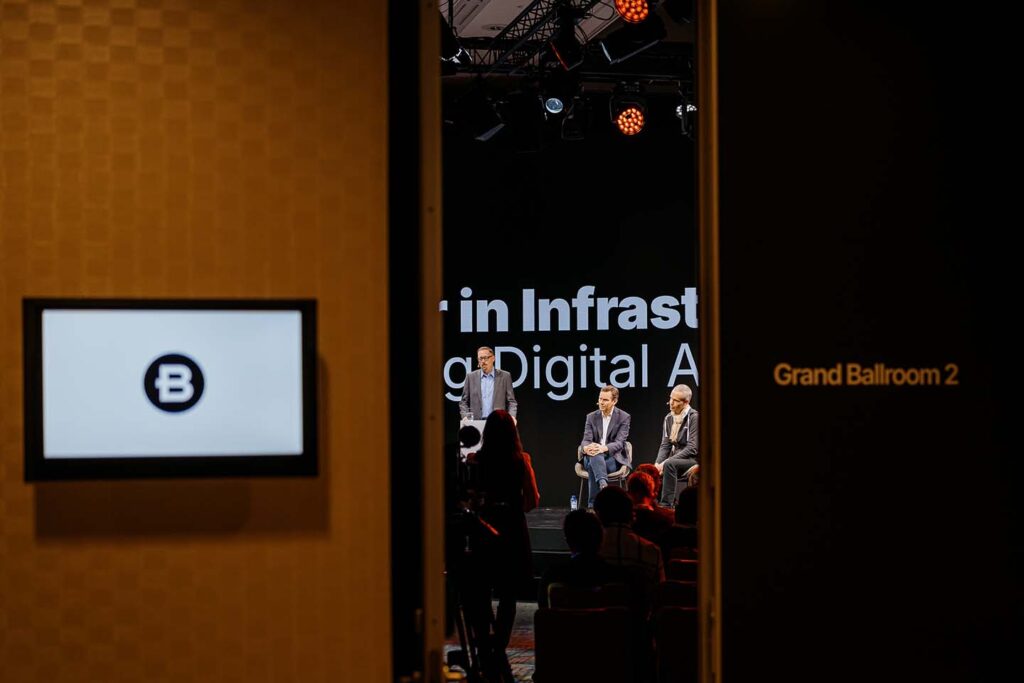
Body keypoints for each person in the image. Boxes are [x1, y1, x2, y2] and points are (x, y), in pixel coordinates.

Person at [471, 409, 539, 652]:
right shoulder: (522, 460)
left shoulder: (475, 460)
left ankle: (483, 643)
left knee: (480, 588)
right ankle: (499, 645)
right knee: (509, 592)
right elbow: (533, 501)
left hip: (484, 527)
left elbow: (469, 500)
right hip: (512, 527)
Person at [537, 510, 628, 608]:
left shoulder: (552, 576)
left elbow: (544, 613)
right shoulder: (620, 577)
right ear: (601, 539)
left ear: (568, 541)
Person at [579, 385, 631, 508]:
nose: (601, 402)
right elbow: (586, 440)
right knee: (595, 456)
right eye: (600, 399)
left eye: (605, 400)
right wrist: (586, 448)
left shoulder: (624, 417)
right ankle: (603, 485)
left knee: (594, 464)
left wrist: (603, 448)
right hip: (591, 456)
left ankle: (593, 505)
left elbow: (620, 442)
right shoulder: (591, 417)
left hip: (612, 459)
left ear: (614, 401)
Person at [653, 384, 699, 508]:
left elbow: (692, 448)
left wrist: (667, 461)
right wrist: (657, 464)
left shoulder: (694, 418)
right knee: (653, 468)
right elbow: (665, 445)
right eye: (670, 398)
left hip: (692, 459)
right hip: (675, 459)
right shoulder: (669, 418)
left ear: (686, 402)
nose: (671, 403)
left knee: (669, 465)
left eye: (675, 400)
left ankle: (666, 505)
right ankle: (654, 505)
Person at [459, 346, 518, 421]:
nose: (483, 361)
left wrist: (512, 417)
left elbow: (511, 402)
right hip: (476, 423)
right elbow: (463, 402)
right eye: (480, 358)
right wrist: (465, 417)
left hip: (498, 422)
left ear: (493, 358)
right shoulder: (471, 377)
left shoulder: (505, 376)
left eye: (486, 358)